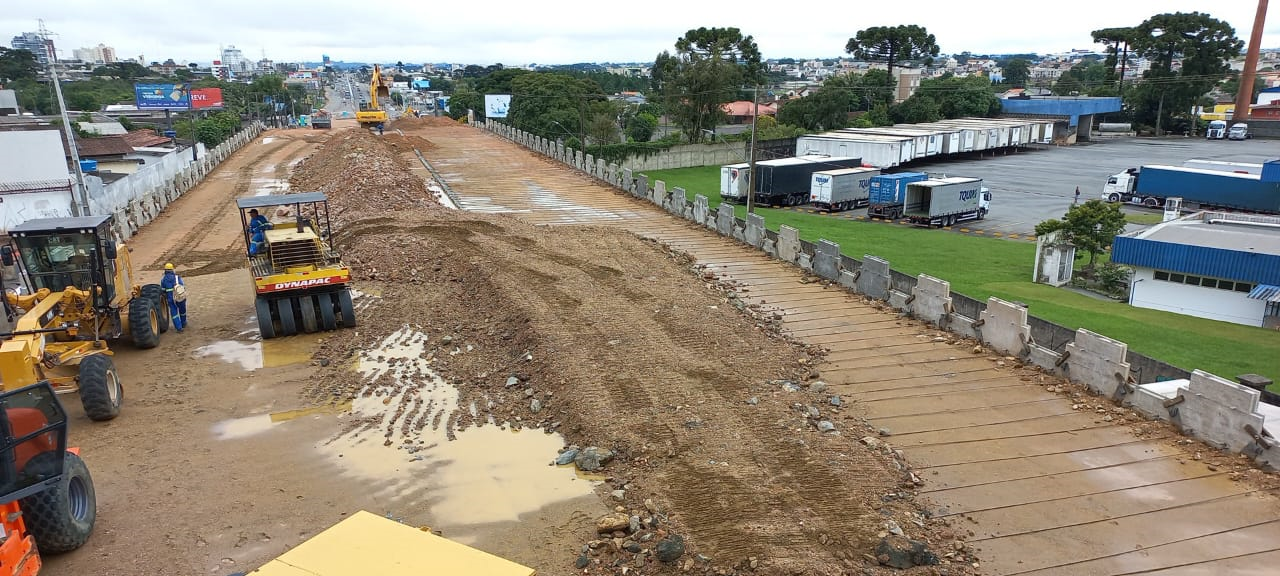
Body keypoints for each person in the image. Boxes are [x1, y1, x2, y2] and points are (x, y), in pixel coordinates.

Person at [160, 263, 188, 332]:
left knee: (174, 313)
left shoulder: (163, 280)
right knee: (182, 310)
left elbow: (163, 291)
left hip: (171, 299)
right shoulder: (177, 277)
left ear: (165, 270)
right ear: (172, 269)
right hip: (180, 297)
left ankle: (179, 328)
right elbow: (182, 286)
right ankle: (183, 323)